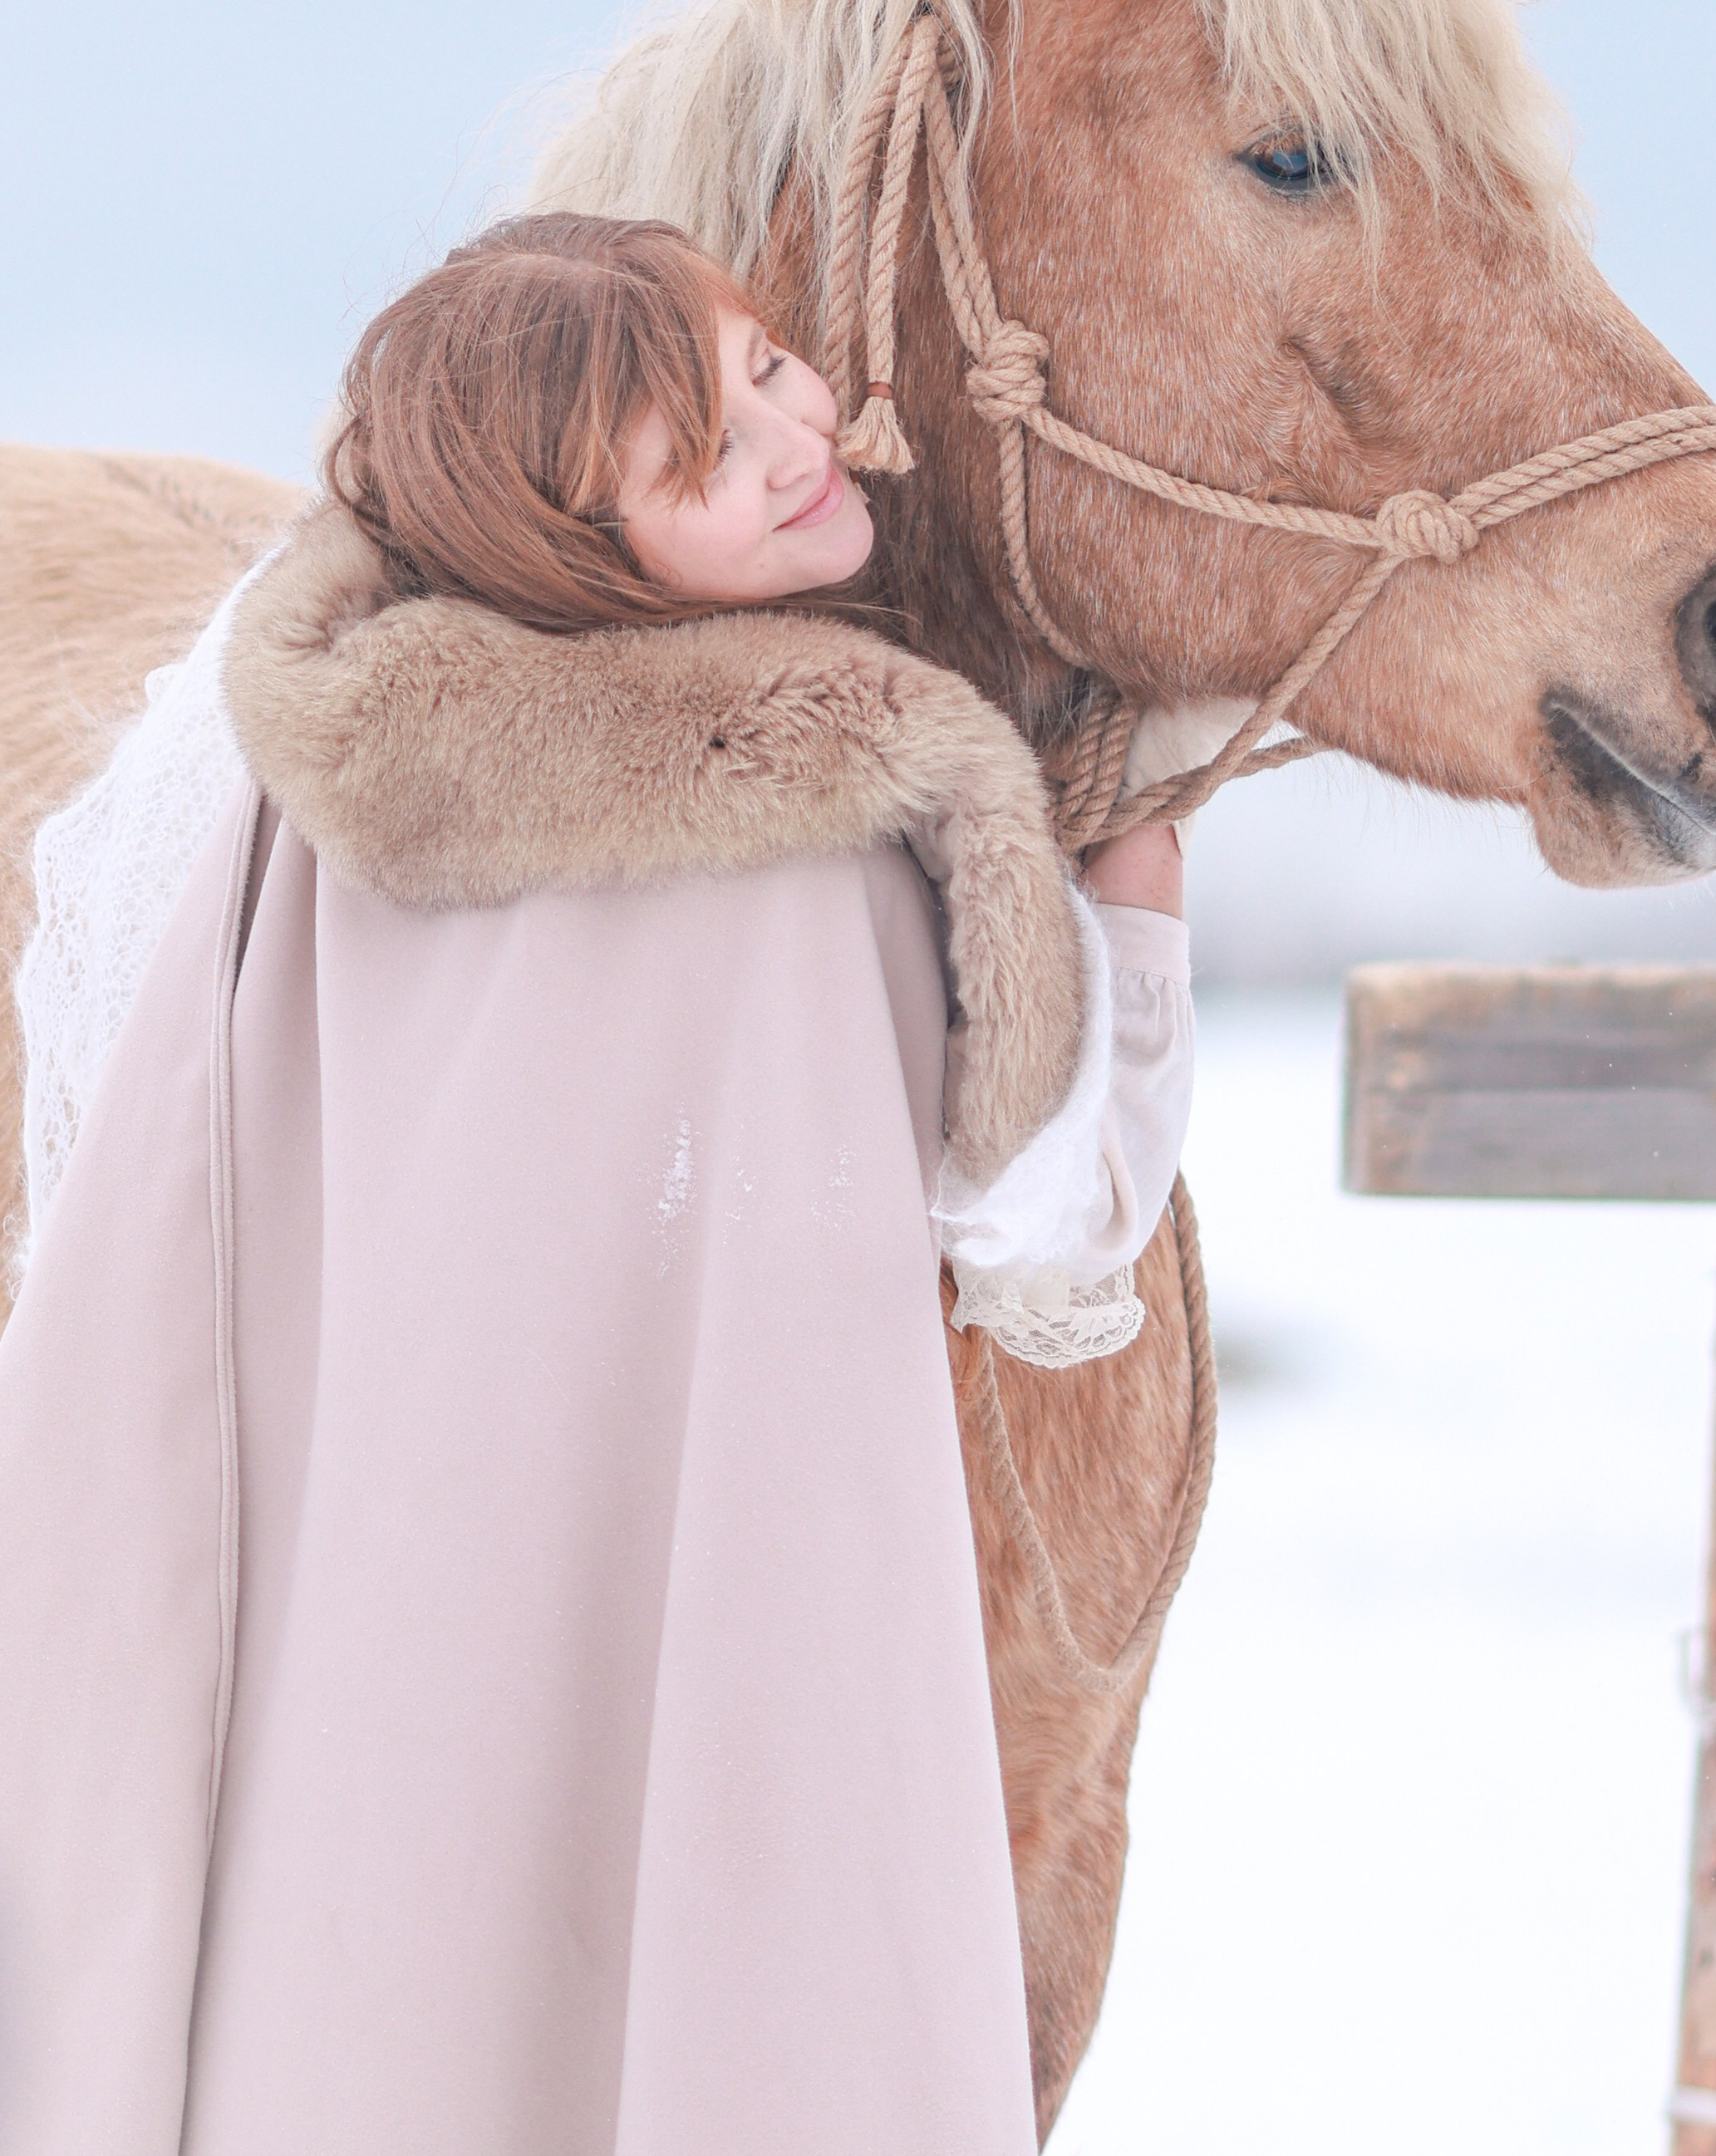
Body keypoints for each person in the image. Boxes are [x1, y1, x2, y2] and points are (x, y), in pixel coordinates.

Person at [0, 211, 1194, 2156]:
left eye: (766, 371)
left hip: (365, 1675)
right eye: (701, 458)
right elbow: (1043, 1219)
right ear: (582, 545)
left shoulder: (305, 814)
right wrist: (1128, 935)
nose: (797, 439)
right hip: (709, 1651)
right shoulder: (814, 824)